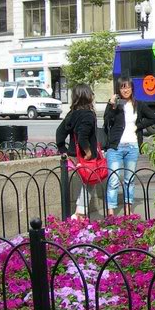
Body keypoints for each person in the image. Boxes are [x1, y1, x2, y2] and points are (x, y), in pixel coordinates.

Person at [103, 76, 155, 216]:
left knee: (129, 180)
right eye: (122, 87)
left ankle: (128, 210)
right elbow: (106, 121)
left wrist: (137, 127)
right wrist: (112, 105)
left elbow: (153, 118)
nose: (125, 90)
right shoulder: (115, 105)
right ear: (118, 89)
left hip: (132, 146)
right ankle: (111, 212)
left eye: (127, 87)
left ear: (132, 88)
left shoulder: (138, 104)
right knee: (113, 179)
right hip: (115, 147)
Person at [56, 83, 98, 220]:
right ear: (86, 96)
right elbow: (82, 136)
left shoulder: (71, 114)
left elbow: (59, 133)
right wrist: (88, 151)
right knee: (90, 182)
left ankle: (80, 213)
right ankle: (79, 214)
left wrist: (63, 151)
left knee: (86, 183)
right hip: (84, 156)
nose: (92, 95)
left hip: (73, 155)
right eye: (91, 93)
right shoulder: (88, 115)